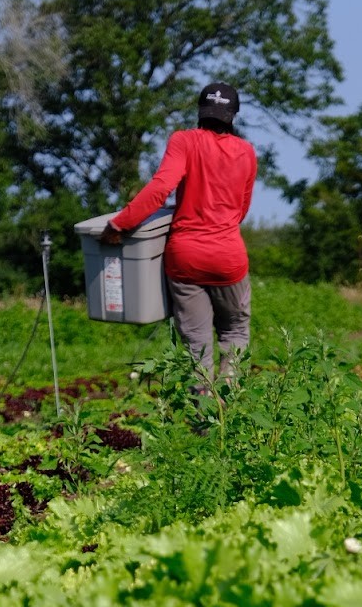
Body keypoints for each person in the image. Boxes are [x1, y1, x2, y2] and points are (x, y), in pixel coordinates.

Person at [100, 82, 257, 390]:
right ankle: (229, 401)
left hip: (186, 260)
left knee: (197, 347)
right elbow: (241, 210)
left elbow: (160, 188)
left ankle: (203, 413)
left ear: (200, 112)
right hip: (228, 258)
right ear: (233, 116)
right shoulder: (247, 152)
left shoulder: (183, 141)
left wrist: (120, 224)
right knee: (235, 331)